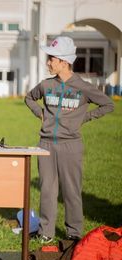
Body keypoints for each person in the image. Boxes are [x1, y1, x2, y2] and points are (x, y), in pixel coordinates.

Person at [25, 36, 114, 244]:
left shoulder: (82, 87)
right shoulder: (46, 85)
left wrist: (84, 118)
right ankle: (46, 231)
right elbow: (29, 98)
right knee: (47, 189)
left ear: (64, 62)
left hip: (71, 145)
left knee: (71, 191)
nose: (48, 62)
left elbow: (108, 105)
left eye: (52, 59)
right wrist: (41, 113)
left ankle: (74, 232)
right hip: (46, 144)